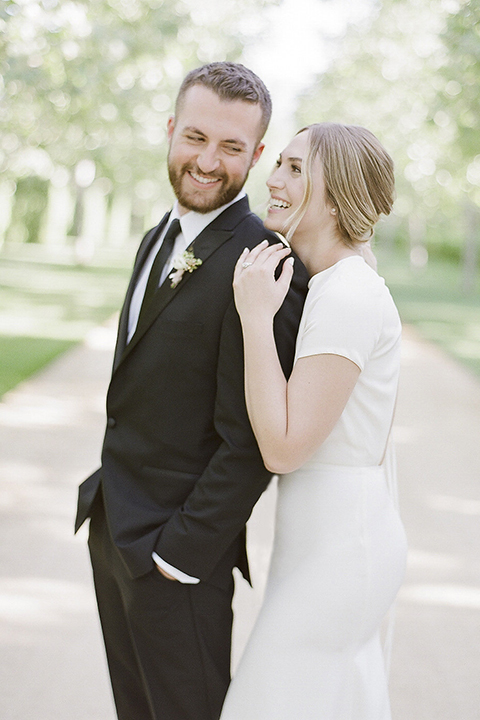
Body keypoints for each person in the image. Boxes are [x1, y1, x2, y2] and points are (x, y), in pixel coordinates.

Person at [74, 62, 308, 720]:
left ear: (257, 155)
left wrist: (178, 557)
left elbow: (253, 437)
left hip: (175, 564)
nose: (208, 161)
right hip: (112, 528)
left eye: (232, 147)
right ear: (171, 129)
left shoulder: (266, 264)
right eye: (196, 137)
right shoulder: (158, 236)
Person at [219, 123, 408, 720]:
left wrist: (254, 317)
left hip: (341, 547)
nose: (273, 179)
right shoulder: (336, 284)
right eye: (279, 164)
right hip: (323, 538)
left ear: (337, 195)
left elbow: (284, 446)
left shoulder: (348, 294)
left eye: (297, 169)